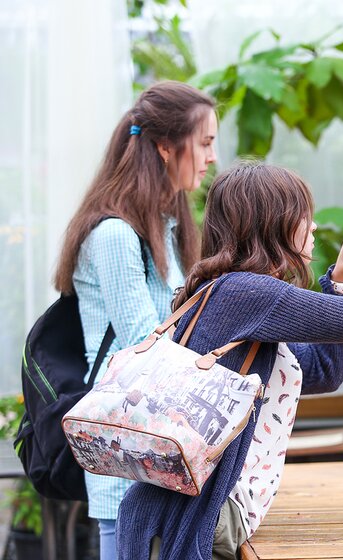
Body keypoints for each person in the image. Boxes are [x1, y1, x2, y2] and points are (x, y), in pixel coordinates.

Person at [115, 162, 343, 559]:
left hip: (188, 515)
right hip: (189, 520)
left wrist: (341, 280)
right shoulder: (246, 293)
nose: (312, 226)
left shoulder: (237, 295)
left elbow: (321, 372)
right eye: (303, 215)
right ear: (273, 223)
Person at [54, 80, 218, 560]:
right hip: (125, 450)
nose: (212, 157)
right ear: (166, 146)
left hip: (157, 443)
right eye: (205, 142)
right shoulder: (115, 235)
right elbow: (146, 345)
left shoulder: (166, 228)